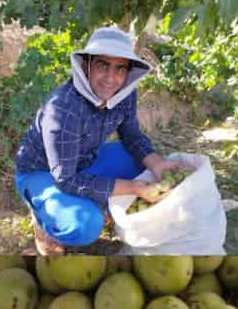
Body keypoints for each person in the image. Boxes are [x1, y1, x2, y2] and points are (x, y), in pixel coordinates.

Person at [15, 26, 182, 254]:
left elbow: (131, 135)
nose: (111, 78)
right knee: (85, 224)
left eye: (120, 69)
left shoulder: (123, 94)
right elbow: (66, 179)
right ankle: (44, 220)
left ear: (127, 73)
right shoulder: (63, 108)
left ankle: (98, 200)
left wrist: (158, 164)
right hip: (44, 173)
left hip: (85, 160)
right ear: (87, 65)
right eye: (103, 65)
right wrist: (133, 187)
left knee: (144, 164)